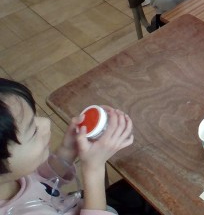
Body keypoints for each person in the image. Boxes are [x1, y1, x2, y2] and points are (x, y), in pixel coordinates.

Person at [0, 78, 134, 214]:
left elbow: (42, 181)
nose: (46, 122)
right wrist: (93, 169)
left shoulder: (11, 176)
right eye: (33, 130)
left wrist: (68, 149)